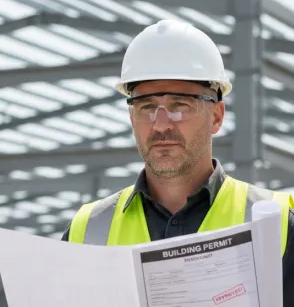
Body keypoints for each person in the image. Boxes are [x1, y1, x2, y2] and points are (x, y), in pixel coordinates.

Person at [60, 19, 294, 304]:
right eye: (146, 107)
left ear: (217, 116)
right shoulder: (87, 230)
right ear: (131, 118)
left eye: (179, 106)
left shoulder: (277, 224)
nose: (160, 124)